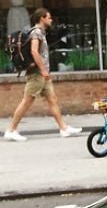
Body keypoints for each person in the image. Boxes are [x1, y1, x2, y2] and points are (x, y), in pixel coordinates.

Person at [4, 8, 82, 142]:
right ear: (42, 18)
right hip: (37, 74)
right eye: (49, 17)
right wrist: (43, 70)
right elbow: (34, 52)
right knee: (27, 101)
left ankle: (63, 128)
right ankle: (11, 130)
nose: (51, 20)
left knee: (52, 100)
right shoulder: (36, 33)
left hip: (42, 74)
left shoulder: (40, 32)